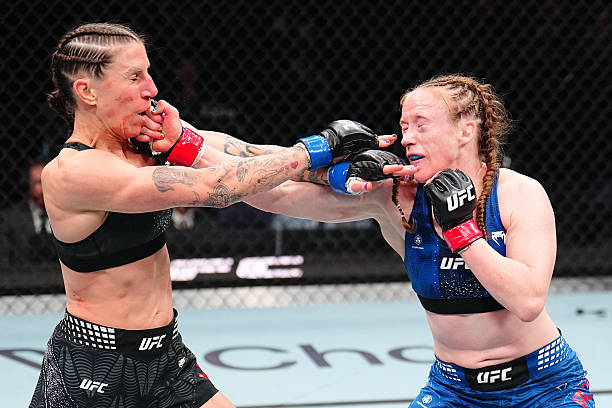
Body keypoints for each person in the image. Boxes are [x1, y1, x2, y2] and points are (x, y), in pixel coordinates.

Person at [32, 22, 386, 408]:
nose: (151, 88)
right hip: (92, 368)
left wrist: (337, 170)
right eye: (134, 76)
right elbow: (216, 188)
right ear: (87, 91)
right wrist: (319, 147)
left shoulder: (150, 141)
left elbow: (251, 158)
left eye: (148, 72)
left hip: (166, 358)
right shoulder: (72, 173)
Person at [237, 74, 595, 407]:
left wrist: (460, 231)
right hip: (452, 391)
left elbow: (528, 302)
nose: (407, 138)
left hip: (545, 387)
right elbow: (275, 196)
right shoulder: (397, 198)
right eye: (404, 126)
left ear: (466, 131)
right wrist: (315, 158)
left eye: (421, 125)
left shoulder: (518, 193)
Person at [0, 156, 56, 265]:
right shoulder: (9, 219)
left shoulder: (68, 215)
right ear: (28, 184)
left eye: (48, 181)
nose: (44, 187)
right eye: (38, 182)